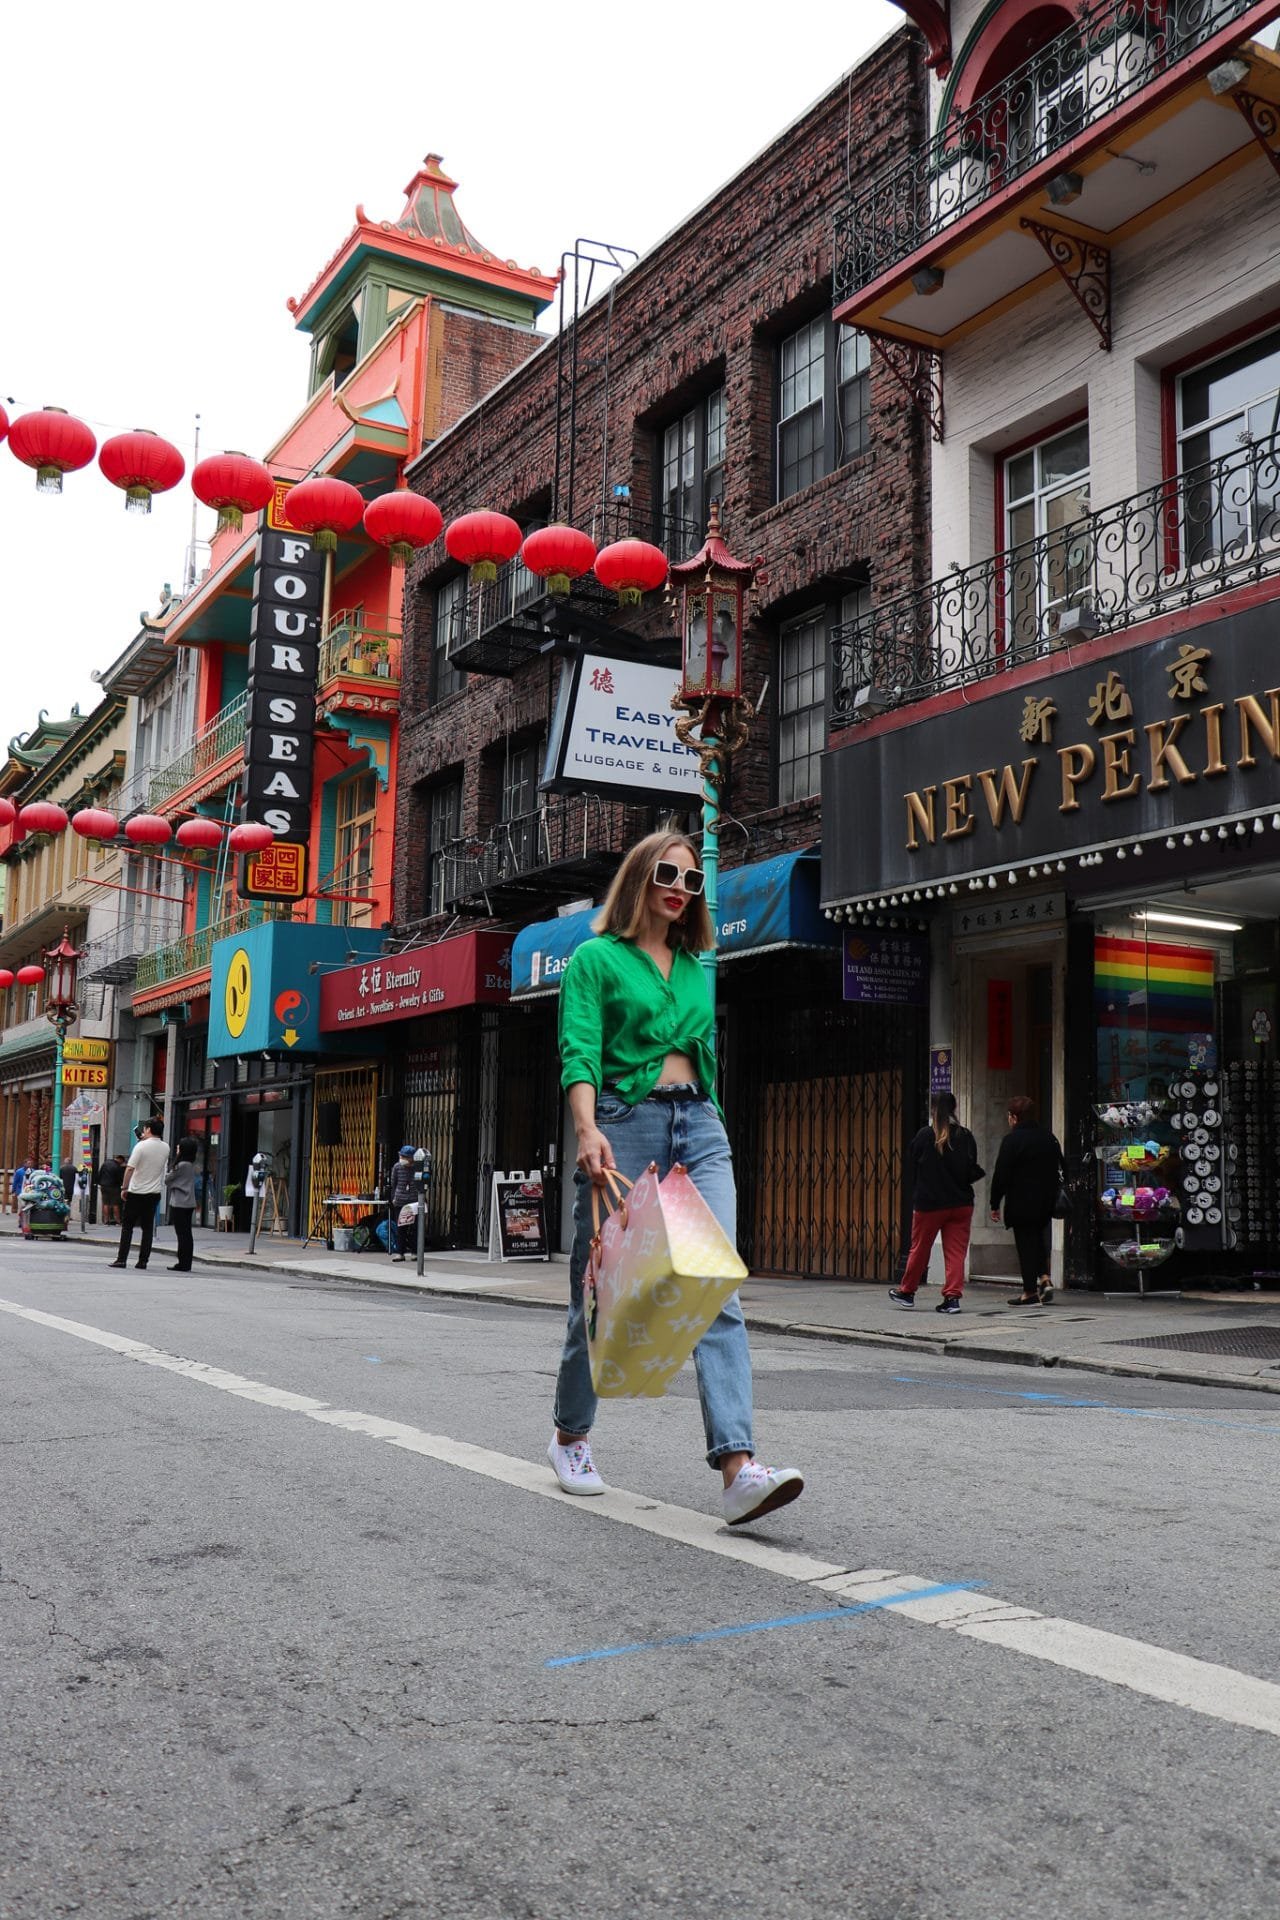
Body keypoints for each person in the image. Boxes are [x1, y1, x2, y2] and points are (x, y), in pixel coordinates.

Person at [552, 829, 804, 1528]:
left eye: (692, 882)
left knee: (712, 1282)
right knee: (601, 1294)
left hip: (698, 1128)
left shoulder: (697, 967)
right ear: (638, 877)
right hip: (625, 1124)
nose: (679, 888)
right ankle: (571, 1436)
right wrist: (587, 1129)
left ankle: (737, 1469)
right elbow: (580, 1050)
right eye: (668, 873)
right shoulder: (596, 959)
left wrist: (707, 1120)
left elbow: (702, 1053)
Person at [889, 1091, 984, 1314]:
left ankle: (907, 1291)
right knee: (956, 1252)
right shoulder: (965, 1135)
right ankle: (952, 1298)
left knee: (920, 1248)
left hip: (930, 1203)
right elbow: (971, 1167)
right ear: (954, 1108)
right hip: (961, 1203)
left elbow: (911, 1163)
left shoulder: (924, 1135)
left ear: (932, 1109)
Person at [989, 1094, 1066, 1307]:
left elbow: (1001, 1175)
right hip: (1045, 1201)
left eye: (1009, 1116)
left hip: (1021, 1201)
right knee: (1037, 1239)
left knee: (1025, 1244)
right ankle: (1044, 1277)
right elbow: (1062, 1167)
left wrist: (995, 1203)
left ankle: (1029, 1292)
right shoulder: (1049, 1137)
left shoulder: (1012, 1140)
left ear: (1015, 1117)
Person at [109, 1118, 168, 1271]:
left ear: (148, 1129)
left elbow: (130, 1168)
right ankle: (143, 1261)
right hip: (154, 1192)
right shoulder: (165, 1147)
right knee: (147, 1228)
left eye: (145, 1128)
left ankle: (122, 1259)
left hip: (136, 1191)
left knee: (127, 1226)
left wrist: (124, 1187)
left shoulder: (141, 1147)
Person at [165, 1136, 198, 1274]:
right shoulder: (190, 1164)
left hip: (179, 1202)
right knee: (186, 1233)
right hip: (188, 1202)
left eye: (179, 1146)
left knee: (182, 1234)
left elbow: (167, 1179)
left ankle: (183, 1262)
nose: (177, 1148)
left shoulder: (182, 1165)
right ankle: (186, 1262)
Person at [387, 1145, 417, 1262]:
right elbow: (393, 1183)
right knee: (401, 1228)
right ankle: (400, 1253)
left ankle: (414, 1252)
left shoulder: (417, 1167)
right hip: (400, 1201)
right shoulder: (397, 1167)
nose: (402, 1158)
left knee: (415, 1228)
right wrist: (394, 1198)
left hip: (414, 1201)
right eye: (401, 1156)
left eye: (404, 1156)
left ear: (411, 1158)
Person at [96, 1153, 125, 1226]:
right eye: (122, 1162)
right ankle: (118, 1221)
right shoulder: (117, 1166)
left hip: (104, 1186)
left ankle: (106, 1221)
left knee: (106, 1203)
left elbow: (100, 1173)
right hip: (114, 1187)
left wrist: (99, 1183)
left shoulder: (105, 1163)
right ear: (120, 1159)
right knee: (115, 1204)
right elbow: (120, 1178)